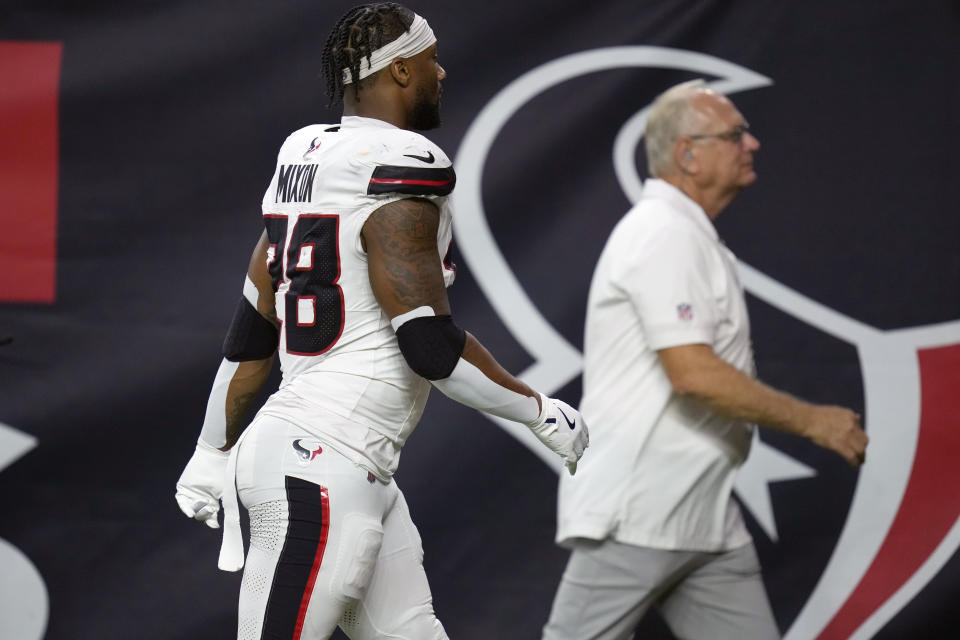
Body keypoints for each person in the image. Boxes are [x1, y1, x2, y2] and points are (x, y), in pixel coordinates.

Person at [174, 4, 588, 639]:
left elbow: (255, 324)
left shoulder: (304, 159)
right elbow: (429, 343)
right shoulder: (400, 165)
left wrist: (211, 447)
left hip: (335, 462)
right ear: (399, 71)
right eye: (430, 61)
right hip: (321, 463)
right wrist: (538, 410)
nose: (441, 73)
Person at [541, 80, 868, 640]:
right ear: (688, 153)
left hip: (705, 513)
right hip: (641, 510)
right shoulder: (663, 234)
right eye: (735, 133)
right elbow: (692, 374)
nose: (754, 143)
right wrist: (814, 420)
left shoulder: (687, 235)